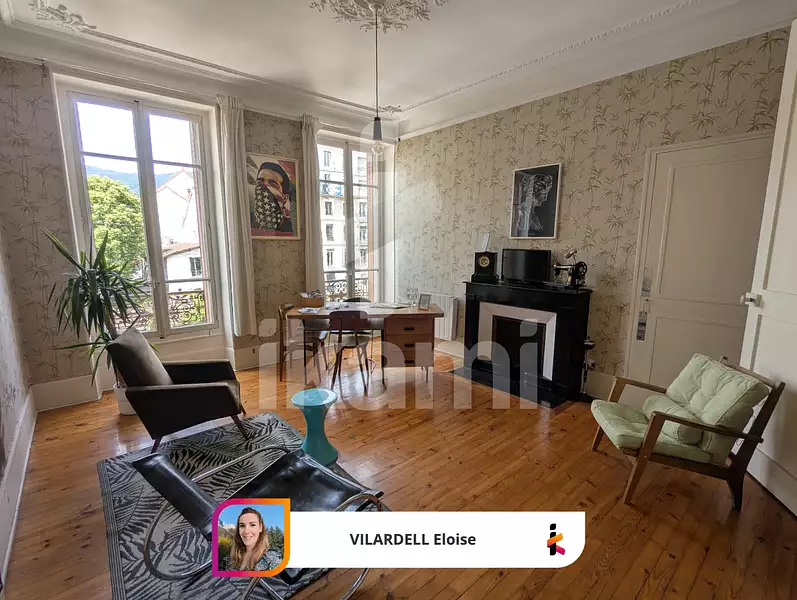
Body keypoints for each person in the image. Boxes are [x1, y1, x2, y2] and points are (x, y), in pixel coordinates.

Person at [223, 507, 283, 571]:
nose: (246, 531)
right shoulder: (231, 560)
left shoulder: (271, 559)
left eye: (252, 525)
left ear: (260, 528)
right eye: (242, 526)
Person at [253, 161, 294, 235]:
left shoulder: (291, 228)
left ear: (284, 198)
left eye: (273, 184)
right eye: (259, 183)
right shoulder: (246, 222)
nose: (264, 187)